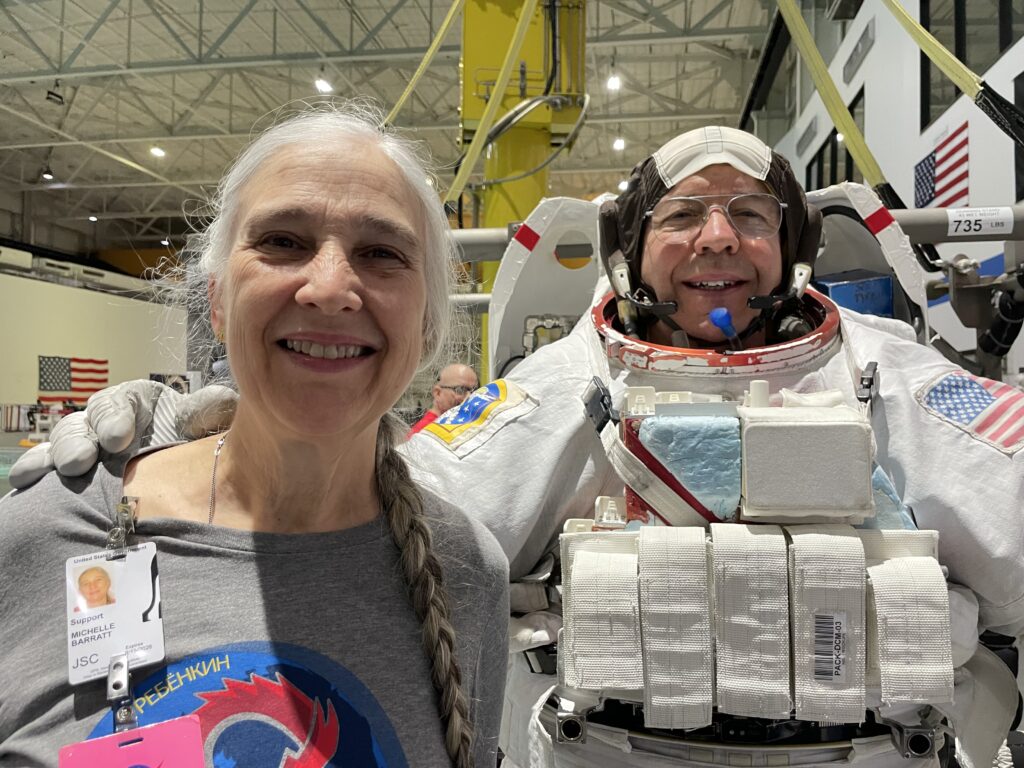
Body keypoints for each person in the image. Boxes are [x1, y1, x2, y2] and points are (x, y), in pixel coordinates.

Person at [10, 126, 1024, 766]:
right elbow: (369, 497)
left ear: (792, 246)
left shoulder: (894, 379)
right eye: (684, 216)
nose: (718, 238)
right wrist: (199, 426)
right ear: (630, 247)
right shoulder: (563, 391)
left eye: (750, 216)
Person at [0, 102, 508, 768]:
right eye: (283, 242)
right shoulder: (46, 531)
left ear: (428, 329)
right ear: (216, 299)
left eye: (381, 253)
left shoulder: (467, 572)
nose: (330, 288)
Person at [408, 363, 480, 437]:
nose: (469, 396)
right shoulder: (423, 433)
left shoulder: (460, 425)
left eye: (474, 391)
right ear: (438, 393)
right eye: (460, 390)